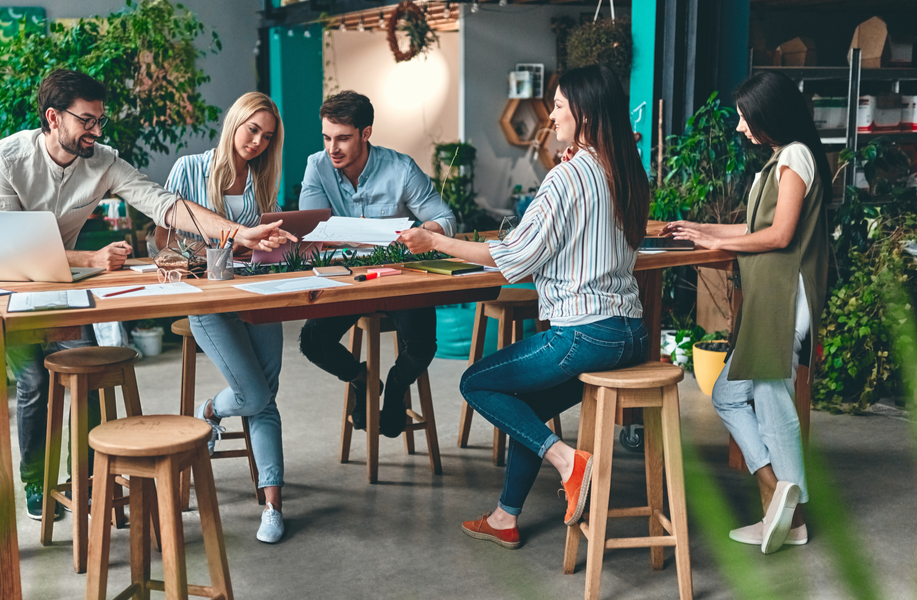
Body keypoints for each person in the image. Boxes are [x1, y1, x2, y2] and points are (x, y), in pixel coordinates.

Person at [0, 69, 295, 521]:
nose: (96, 130)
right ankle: (37, 482)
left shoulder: (103, 160)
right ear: (54, 118)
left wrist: (237, 233)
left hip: (66, 287)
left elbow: (165, 204)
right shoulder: (6, 158)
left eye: (99, 120)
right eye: (86, 120)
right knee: (32, 381)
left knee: (84, 373)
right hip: (16, 285)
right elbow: (11, 245)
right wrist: (88, 260)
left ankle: (87, 478)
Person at [395, 65, 649, 549]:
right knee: (525, 409)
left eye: (558, 105)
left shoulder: (567, 178)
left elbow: (511, 258)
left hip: (583, 335)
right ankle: (505, 517)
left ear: (586, 112)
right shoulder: (629, 171)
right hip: (630, 335)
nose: (551, 116)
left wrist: (432, 241)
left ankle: (569, 463)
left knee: (476, 382)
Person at [665, 71, 828, 554]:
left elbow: (780, 236)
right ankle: (775, 497)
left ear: (768, 116)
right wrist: (701, 227)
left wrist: (714, 239)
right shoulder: (780, 161)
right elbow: (756, 227)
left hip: (783, 299)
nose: (740, 128)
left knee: (773, 400)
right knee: (729, 395)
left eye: (744, 118)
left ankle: (790, 513)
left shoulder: (796, 155)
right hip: (767, 299)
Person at [163, 91, 289, 543]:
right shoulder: (189, 169)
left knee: (265, 397)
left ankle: (273, 505)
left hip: (258, 294)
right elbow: (164, 246)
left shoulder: (261, 179)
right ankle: (211, 410)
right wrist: (231, 245)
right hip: (208, 300)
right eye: (252, 129)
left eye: (267, 136)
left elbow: (263, 246)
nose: (257, 141)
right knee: (255, 393)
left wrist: (276, 245)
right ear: (234, 120)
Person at [297, 90, 455, 438]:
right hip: (347, 280)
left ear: (365, 133)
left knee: (422, 346)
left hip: (398, 276)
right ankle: (362, 379)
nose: (332, 148)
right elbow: (312, 230)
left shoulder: (400, 168)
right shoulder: (317, 166)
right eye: (327, 138)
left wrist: (425, 233)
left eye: (343, 138)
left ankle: (396, 387)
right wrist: (371, 235)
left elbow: (444, 217)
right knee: (312, 341)